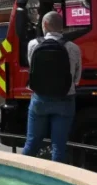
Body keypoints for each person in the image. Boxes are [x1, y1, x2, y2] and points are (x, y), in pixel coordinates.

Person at [22, 11, 82, 163]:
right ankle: (55, 184)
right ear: (61, 27)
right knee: (59, 146)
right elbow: (76, 79)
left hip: (40, 100)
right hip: (65, 100)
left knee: (32, 143)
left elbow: (32, 69)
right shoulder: (74, 48)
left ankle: (19, 178)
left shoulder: (33, 45)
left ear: (46, 25)